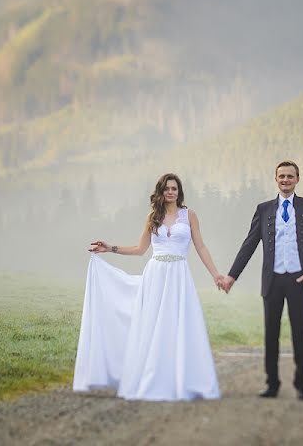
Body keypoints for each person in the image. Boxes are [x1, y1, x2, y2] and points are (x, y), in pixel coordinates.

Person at [73, 172, 224, 401]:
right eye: (166, 188)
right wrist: (110, 248)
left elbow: (201, 247)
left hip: (179, 276)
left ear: (179, 192)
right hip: (155, 275)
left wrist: (216, 275)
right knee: (153, 325)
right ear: (161, 192)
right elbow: (140, 249)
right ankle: (151, 377)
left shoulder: (189, 215)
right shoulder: (153, 217)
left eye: (174, 188)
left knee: (178, 325)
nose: (170, 192)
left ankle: (181, 380)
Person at [219, 161, 303, 401]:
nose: (285, 180)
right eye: (281, 176)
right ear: (275, 179)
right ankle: (272, 384)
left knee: (300, 333)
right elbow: (249, 244)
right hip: (273, 281)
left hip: (299, 280)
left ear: (297, 178)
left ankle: (302, 384)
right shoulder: (264, 209)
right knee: (271, 334)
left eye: (290, 176)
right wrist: (231, 276)